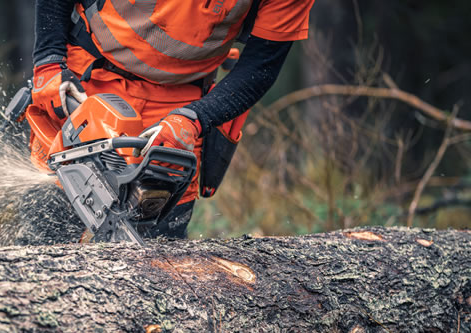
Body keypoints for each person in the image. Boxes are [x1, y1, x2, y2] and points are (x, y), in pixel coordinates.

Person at [30, 0, 315, 239]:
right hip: (89, 81)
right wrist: (48, 60)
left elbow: (261, 67)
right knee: (46, 227)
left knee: (157, 254)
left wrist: (195, 119)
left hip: (179, 105)